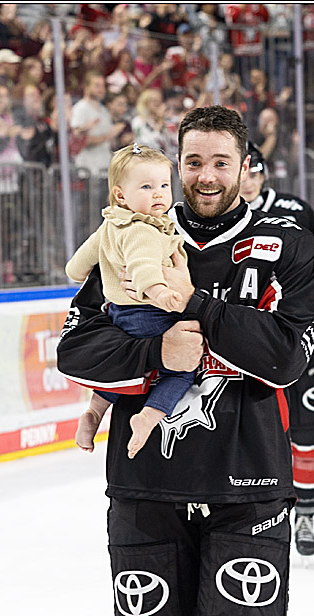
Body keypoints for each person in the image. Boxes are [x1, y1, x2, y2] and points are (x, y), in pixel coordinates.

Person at [56, 105, 314, 616]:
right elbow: (75, 348)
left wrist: (196, 305)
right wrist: (158, 355)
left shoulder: (293, 245)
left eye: (221, 162)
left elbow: (287, 359)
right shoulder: (127, 234)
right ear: (178, 165)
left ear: (245, 166)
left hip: (246, 480)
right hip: (146, 485)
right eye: (194, 161)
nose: (206, 175)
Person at [240, 141, 314, 557]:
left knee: (309, 426)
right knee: (257, 428)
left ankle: (307, 515)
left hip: (303, 331)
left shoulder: (296, 210)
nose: (245, 180)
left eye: (252, 172)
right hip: (251, 338)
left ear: (261, 174)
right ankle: (264, 512)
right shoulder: (220, 220)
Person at [66, 144, 190, 459]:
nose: (159, 193)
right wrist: (162, 293)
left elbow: (75, 268)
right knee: (182, 369)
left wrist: (99, 273)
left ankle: (93, 412)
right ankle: (149, 415)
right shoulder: (143, 231)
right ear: (121, 196)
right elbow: (143, 269)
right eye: (147, 187)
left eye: (164, 184)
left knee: (126, 370)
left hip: (118, 314)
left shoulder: (109, 225)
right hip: (149, 314)